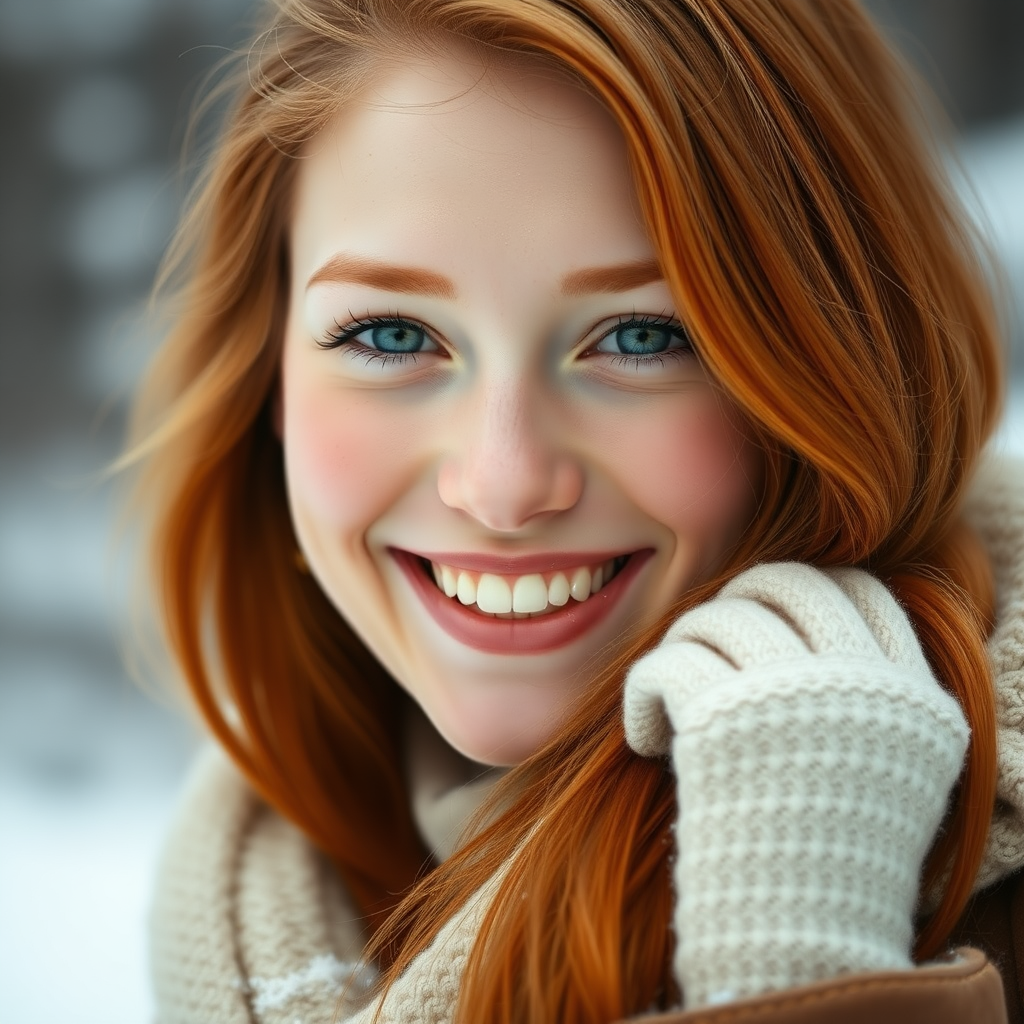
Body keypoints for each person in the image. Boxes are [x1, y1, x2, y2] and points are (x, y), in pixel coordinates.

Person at [124, 0, 1024, 1020]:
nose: (502, 486)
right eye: (388, 334)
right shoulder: (255, 881)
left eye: (642, 337)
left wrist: (805, 963)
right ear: (268, 380)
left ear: (838, 358)